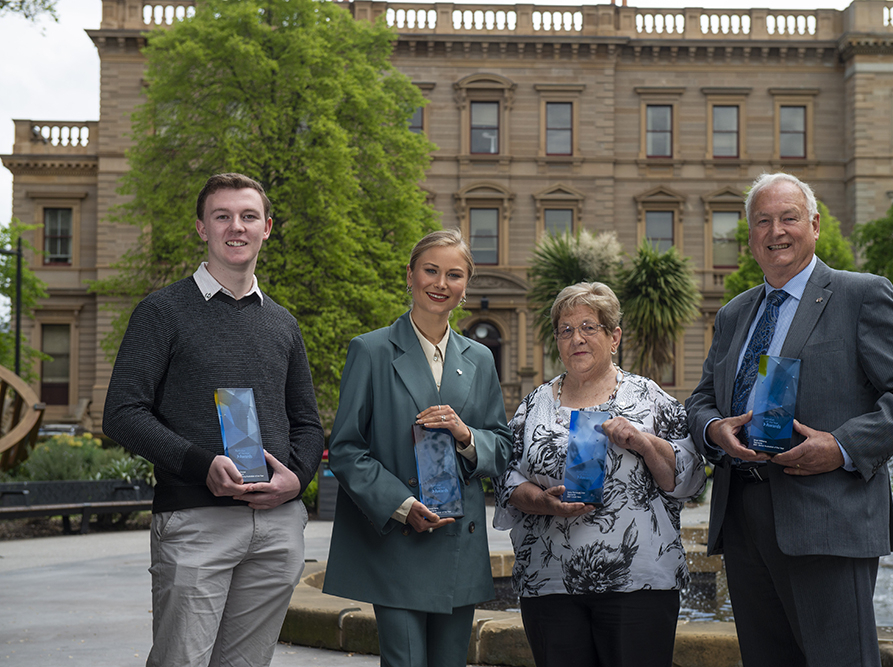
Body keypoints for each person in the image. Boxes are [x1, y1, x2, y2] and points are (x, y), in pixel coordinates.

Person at [685, 172, 893, 667]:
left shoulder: (860, 295)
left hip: (828, 517)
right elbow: (700, 401)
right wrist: (715, 429)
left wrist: (841, 446)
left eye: (789, 218)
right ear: (750, 235)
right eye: (763, 221)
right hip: (743, 519)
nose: (775, 231)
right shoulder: (735, 313)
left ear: (815, 225)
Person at [103, 172, 326, 666]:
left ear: (267, 227)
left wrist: (297, 479)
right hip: (195, 521)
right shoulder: (162, 311)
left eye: (248, 217)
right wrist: (201, 463)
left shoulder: (283, 323)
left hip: (276, 526)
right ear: (202, 229)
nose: (236, 227)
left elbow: (307, 423)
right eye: (221, 216)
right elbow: (121, 413)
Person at [323, 229, 512, 667]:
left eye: (454, 274)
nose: (440, 283)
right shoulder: (369, 350)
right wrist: (402, 505)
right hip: (399, 541)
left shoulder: (480, 359)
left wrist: (466, 436)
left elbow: (500, 446)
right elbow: (347, 449)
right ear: (409, 275)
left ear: (466, 286)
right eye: (431, 270)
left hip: (457, 543)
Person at [493, 281, 706, 667]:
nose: (577, 338)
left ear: (614, 336)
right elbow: (505, 480)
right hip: (549, 582)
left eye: (590, 327)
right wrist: (541, 501)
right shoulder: (535, 405)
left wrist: (644, 443)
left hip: (638, 583)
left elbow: (690, 478)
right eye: (566, 329)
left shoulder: (649, 398)